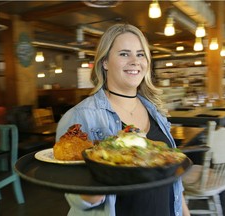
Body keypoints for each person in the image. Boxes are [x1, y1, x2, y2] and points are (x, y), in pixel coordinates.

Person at [56, 23, 190, 216]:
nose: (135, 61)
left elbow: (171, 175)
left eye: (140, 54)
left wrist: (185, 213)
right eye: (124, 54)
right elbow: (76, 198)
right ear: (105, 62)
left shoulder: (156, 111)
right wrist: (106, 166)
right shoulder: (81, 116)